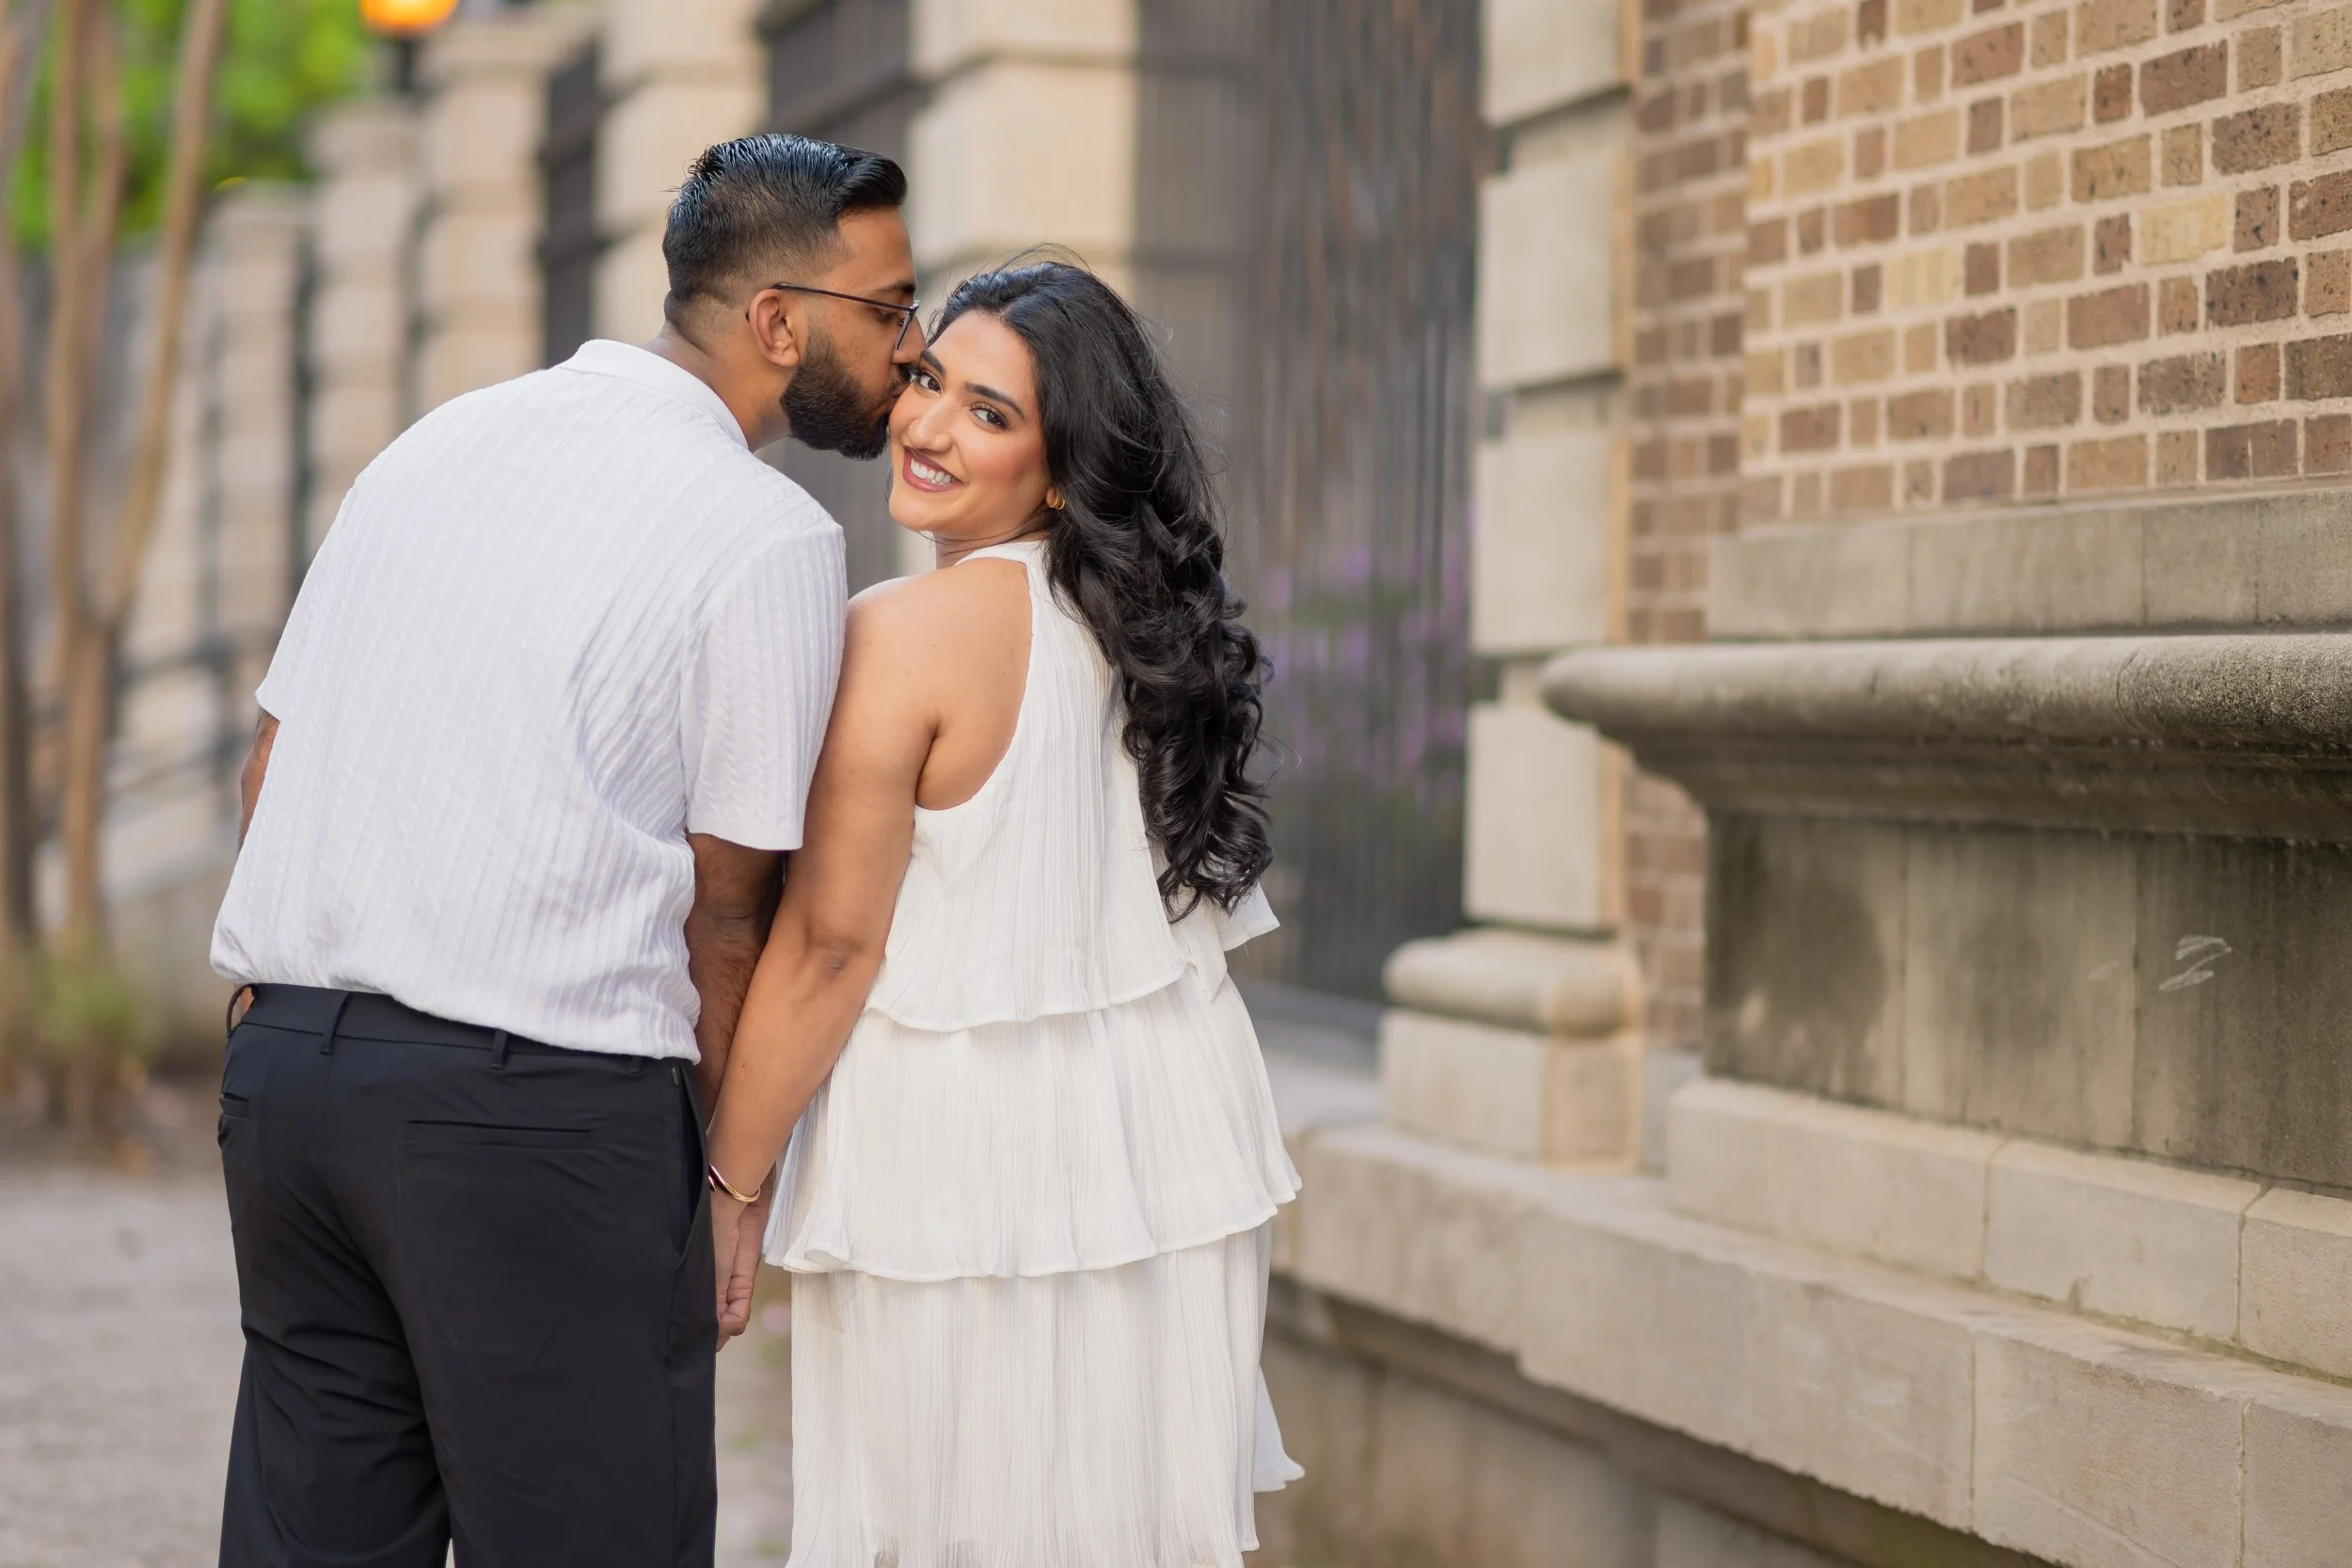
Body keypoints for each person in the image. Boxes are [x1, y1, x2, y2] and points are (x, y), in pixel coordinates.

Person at [206, 134, 921, 1568]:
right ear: (779, 322)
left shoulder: (437, 442)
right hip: (530, 1117)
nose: (913, 349)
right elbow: (731, 913)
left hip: (289, 1090)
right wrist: (720, 1182)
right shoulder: (763, 534)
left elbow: (272, 763)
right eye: (891, 309)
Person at [699, 260, 1304, 1568]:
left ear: (1065, 469)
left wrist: (730, 1178)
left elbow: (830, 944)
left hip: (959, 1172)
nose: (922, 425)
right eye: (926, 380)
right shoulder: (1155, 643)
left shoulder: (900, 634)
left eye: (987, 413)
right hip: (1159, 1160)